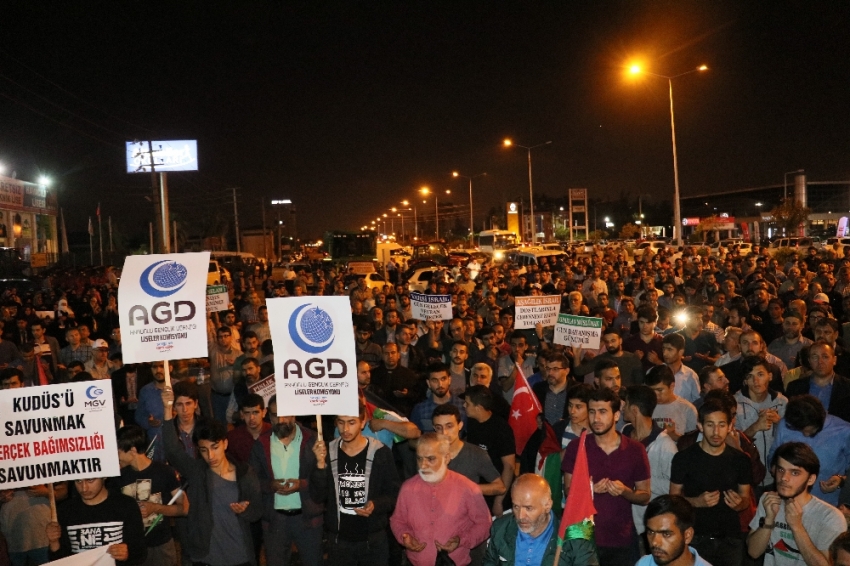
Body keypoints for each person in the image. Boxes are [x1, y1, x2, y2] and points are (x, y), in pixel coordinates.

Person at [161, 386, 263, 566]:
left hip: (240, 556)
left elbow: (257, 511)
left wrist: (246, 510)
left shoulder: (245, 473)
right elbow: (172, 450)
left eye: (214, 447)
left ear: (225, 443)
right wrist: (167, 410)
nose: (210, 456)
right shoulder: (197, 472)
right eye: (204, 450)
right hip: (207, 558)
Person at [561, 387, 650, 565]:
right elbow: (568, 492)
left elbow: (645, 496)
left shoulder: (635, 449)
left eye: (603, 412)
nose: (596, 418)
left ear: (616, 415)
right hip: (582, 534)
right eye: (592, 412)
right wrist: (590, 489)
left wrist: (625, 491)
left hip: (620, 537)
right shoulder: (577, 447)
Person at [310, 402, 401, 566]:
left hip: (372, 540)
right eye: (341, 422)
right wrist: (320, 465)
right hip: (339, 541)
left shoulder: (381, 453)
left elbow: (394, 495)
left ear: (362, 422)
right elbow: (318, 496)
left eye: (351, 422)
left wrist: (375, 504)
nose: (345, 429)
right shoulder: (327, 452)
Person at [669, 397, 753, 566]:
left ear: (730, 426)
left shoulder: (740, 460)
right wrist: (696, 502)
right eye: (710, 425)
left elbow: (745, 498)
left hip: (731, 539)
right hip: (696, 538)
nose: (716, 432)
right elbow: (673, 499)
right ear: (700, 425)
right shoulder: (683, 458)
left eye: (722, 425)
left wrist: (740, 504)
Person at [390, 433, 492, 566]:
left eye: (430, 459)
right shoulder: (408, 488)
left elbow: (484, 523)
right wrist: (405, 537)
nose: (423, 465)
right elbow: (397, 520)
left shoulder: (468, 488)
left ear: (446, 458)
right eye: (419, 458)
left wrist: (461, 540)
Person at [748, 442, 847, 566]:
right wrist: (768, 520)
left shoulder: (830, 517)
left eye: (794, 473)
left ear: (810, 479)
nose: (784, 478)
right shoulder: (768, 500)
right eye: (781, 469)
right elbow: (753, 552)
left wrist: (797, 527)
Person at [250, 410, 324, 566]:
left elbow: (324, 483)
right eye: (275, 415)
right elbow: (254, 481)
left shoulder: (313, 440)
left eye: (285, 414)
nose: (281, 419)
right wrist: (270, 486)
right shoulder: (261, 443)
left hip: (307, 518)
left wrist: (302, 484)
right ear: (269, 416)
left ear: (294, 414)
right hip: (275, 519)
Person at [115, 425, 187, 566]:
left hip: (161, 546)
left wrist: (155, 508)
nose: (116, 457)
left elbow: (184, 508)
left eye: (118, 452)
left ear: (133, 451)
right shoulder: (118, 477)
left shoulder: (164, 472)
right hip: (133, 547)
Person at [768, 395, 850, 507]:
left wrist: (841, 480)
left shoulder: (844, 431)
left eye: (809, 430)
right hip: (789, 502)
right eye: (799, 430)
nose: (804, 434)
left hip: (825, 505)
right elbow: (774, 454)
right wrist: (775, 467)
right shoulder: (785, 424)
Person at [46, 477, 147, 565]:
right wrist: (54, 542)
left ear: (104, 477)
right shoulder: (66, 510)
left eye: (90, 480)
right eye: (78, 481)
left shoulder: (125, 505)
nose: (84, 488)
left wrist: (128, 553)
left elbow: (140, 552)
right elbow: (59, 560)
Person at [621, 385, 678, 538]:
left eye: (625, 404)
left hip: (646, 525)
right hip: (622, 520)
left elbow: (673, 487)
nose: (622, 408)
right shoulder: (623, 434)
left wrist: (641, 481)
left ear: (634, 409)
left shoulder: (664, 445)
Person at [433, 403, 506, 502]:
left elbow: (500, 487)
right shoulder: (429, 454)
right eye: (439, 428)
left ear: (460, 425)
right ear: (434, 429)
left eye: (449, 426)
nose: (444, 432)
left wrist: (468, 488)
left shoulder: (476, 454)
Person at [735, 356, 788, 489]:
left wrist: (779, 423)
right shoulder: (734, 404)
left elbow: (792, 439)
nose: (756, 381)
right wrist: (755, 427)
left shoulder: (782, 402)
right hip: (747, 475)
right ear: (745, 381)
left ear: (770, 376)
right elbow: (733, 444)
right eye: (750, 376)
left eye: (760, 374)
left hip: (778, 475)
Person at [637, 495, 713, 566]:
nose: (655, 542)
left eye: (666, 534)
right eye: (651, 532)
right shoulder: (644, 563)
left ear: (687, 535)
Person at [786, 341, 850, 423]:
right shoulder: (795, 387)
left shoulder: (847, 387)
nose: (820, 361)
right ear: (809, 361)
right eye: (815, 357)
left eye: (825, 357)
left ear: (834, 360)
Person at [645, 364, 698, 441]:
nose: (655, 395)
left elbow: (691, 442)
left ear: (672, 386)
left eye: (660, 390)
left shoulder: (687, 408)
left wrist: (674, 435)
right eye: (652, 390)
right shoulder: (645, 405)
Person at [410, 363, 466, 433]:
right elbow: (413, 438)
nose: (440, 384)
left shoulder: (463, 406)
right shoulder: (420, 410)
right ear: (428, 383)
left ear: (449, 380)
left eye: (443, 379)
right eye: (435, 380)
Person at [135, 361, 170, 462]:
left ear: (170, 368)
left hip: (177, 440)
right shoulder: (145, 391)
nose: (158, 370)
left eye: (162, 366)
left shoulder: (178, 387)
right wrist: (148, 422)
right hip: (154, 441)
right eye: (155, 367)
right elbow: (138, 416)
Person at [209, 325, 242, 425]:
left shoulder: (239, 354)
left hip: (234, 396)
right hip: (217, 396)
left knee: (236, 424)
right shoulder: (213, 351)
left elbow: (245, 374)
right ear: (217, 339)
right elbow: (208, 335)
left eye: (225, 336)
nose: (223, 339)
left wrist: (236, 365)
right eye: (220, 337)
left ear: (231, 337)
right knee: (219, 424)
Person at [661, 334, 701, 403]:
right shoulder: (654, 372)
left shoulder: (691, 375)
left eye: (669, 349)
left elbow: (697, 401)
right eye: (663, 349)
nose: (665, 353)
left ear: (680, 352)